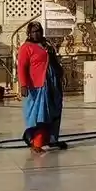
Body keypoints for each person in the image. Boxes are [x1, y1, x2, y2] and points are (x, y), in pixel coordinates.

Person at [17, 21, 67, 153]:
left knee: (53, 111)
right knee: (40, 114)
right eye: (34, 31)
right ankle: (35, 141)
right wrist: (23, 85)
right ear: (29, 33)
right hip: (37, 86)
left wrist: (60, 72)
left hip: (52, 83)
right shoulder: (26, 48)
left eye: (39, 30)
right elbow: (22, 67)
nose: (37, 33)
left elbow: (54, 61)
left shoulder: (47, 45)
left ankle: (50, 139)